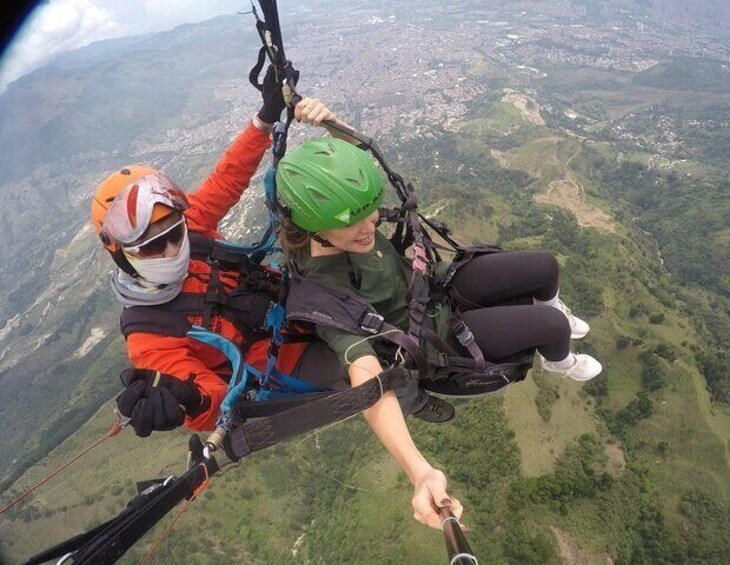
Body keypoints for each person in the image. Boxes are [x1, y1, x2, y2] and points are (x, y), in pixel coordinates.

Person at [273, 135, 603, 530]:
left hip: (433, 287)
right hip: (432, 334)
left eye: (371, 212)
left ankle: (555, 305)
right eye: (353, 222)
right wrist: (419, 472)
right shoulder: (324, 293)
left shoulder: (340, 218)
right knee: (553, 329)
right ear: (313, 226)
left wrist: (332, 125)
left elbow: (356, 171)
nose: (370, 226)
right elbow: (365, 375)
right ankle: (561, 362)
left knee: (545, 266)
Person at [90, 66, 347, 437]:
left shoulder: (191, 227)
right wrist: (187, 400)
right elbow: (213, 399)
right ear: (119, 252)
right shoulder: (149, 335)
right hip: (288, 360)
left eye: (173, 233)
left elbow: (227, 178)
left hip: (300, 299)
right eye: (151, 247)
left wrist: (265, 117)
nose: (170, 249)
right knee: (369, 365)